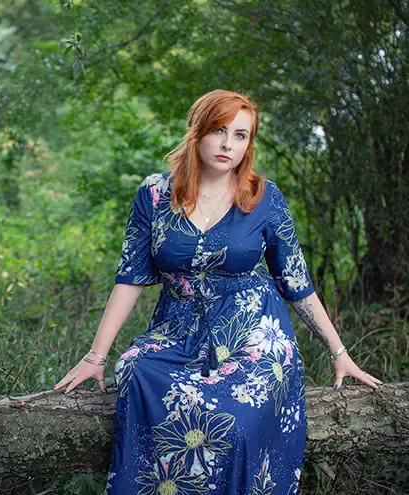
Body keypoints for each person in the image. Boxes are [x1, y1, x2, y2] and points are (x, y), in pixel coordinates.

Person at [53, 89, 382, 494]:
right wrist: (95, 356)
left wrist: (339, 352)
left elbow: (295, 281)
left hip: (253, 329)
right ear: (198, 131)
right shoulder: (155, 194)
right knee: (137, 370)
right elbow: (130, 278)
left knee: (238, 414)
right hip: (178, 329)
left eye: (241, 135)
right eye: (220, 130)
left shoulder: (265, 197)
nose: (229, 144)